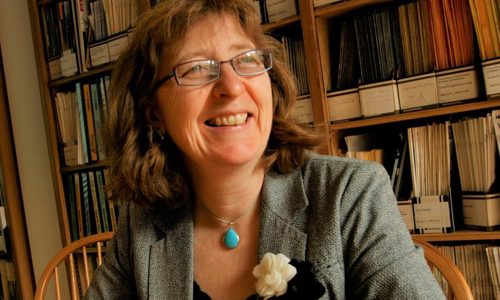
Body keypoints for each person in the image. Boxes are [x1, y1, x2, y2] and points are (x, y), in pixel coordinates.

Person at [85, 0, 445, 299]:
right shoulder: (142, 221)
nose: (231, 86)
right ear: (153, 113)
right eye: (196, 68)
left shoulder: (349, 194)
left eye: (246, 60)